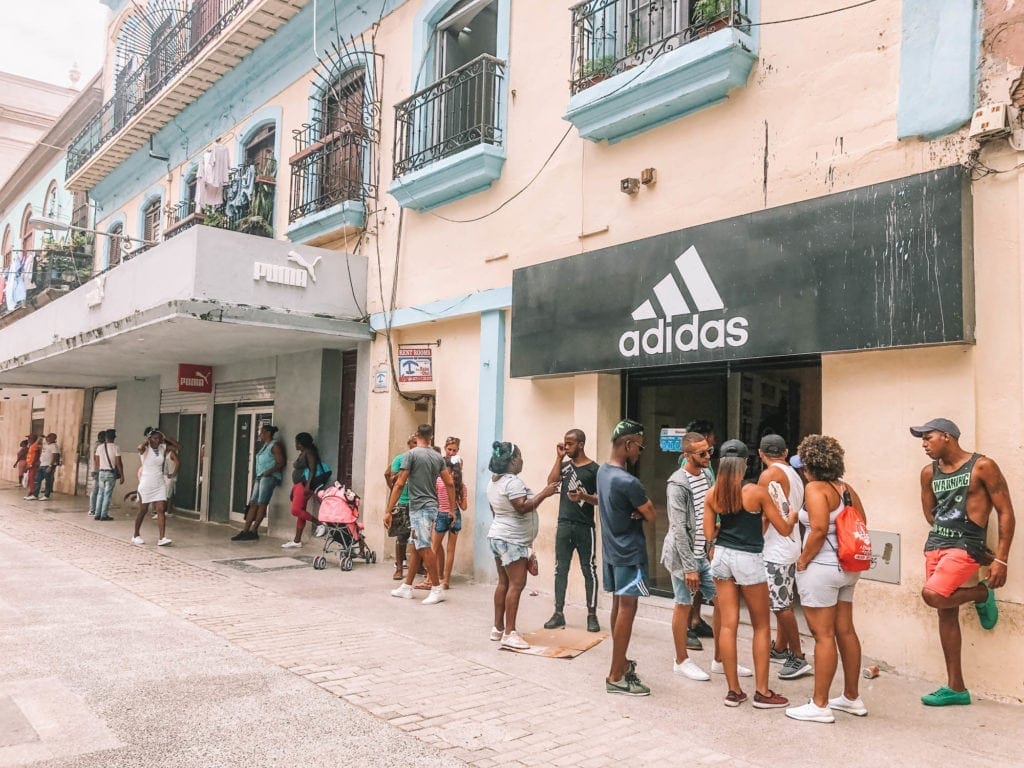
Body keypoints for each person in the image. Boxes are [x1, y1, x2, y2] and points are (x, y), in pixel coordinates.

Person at [910, 418, 1015, 706]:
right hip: (935, 545)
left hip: (966, 546)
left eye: (928, 437)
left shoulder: (983, 466)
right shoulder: (927, 473)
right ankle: (956, 688)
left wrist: (1001, 560)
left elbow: (1005, 512)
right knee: (945, 610)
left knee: (933, 595)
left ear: (947, 436)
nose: (924, 444)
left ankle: (983, 593)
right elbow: (931, 513)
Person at [785, 434, 869, 723]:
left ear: (810, 466)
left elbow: (819, 529)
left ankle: (819, 704)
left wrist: (802, 561)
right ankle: (851, 697)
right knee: (846, 630)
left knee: (823, 636)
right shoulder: (846, 488)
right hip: (848, 568)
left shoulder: (815, 489)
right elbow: (861, 522)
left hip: (822, 568)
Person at [704, 439, 794, 709]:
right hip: (749, 559)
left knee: (728, 624)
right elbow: (785, 529)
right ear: (745, 463)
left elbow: (709, 534)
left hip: (721, 557)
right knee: (761, 626)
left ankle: (733, 691)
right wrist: (791, 515)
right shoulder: (756, 493)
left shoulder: (713, 493)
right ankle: (762, 692)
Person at [599, 419, 657, 696]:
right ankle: (615, 675)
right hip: (629, 553)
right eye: (640, 447)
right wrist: (638, 511)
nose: (640, 453)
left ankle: (620, 664)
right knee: (627, 610)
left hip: (612, 550)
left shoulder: (603, 472)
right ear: (628, 444)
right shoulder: (628, 481)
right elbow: (651, 514)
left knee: (618, 606)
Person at [486, 442, 558, 649]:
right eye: (520, 456)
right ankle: (510, 633)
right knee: (516, 585)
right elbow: (522, 508)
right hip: (512, 540)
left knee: (503, 583)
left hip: (498, 535)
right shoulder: (513, 482)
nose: (522, 461)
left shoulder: (493, 481)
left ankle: (497, 628)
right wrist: (545, 493)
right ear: (513, 460)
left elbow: (495, 510)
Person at [662, 431, 719, 682]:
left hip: (703, 555)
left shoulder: (707, 475)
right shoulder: (677, 484)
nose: (708, 456)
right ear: (687, 455)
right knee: (683, 604)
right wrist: (689, 567)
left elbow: (709, 512)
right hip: (682, 557)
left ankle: (720, 659)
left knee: (722, 601)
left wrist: (711, 544)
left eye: (709, 451)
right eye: (702, 453)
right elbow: (678, 527)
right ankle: (680, 660)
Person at [758, 434, 812, 680]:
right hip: (791, 546)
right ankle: (780, 647)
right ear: (786, 451)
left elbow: (764, 513)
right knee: (784, 600)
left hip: (776, 548)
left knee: (780, 606)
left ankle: (798, 656)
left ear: (760, 454)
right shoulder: (795, 474)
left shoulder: (768, 475)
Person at [384, 423, 455, 606]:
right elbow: (449, 483)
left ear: (417, 435)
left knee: (423, 546)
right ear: (431, 436)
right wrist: (452, 508)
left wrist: (388, 510)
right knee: (415, 546)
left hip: (420, 508)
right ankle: (407, 586)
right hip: (430, 506)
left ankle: (436, 588)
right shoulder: (437, 456)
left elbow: (400, 483)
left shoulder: (411, 455)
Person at [544, 429, 601, 633]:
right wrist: (558, 459)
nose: (566, 447)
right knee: (561, 569)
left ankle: (591, 614)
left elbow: (601, 499)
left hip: (585, 527)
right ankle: (558, 613)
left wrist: (584, 498)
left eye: (570, 444)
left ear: (581, 444)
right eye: (565, 443)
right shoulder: (565, 467)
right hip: (564, 525)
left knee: (589, 570)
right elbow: (551, 482)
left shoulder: (595, 469)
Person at [685, 418, 717, 641]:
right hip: (694, 535)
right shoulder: (686, 470)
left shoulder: (706, 467)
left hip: (706, 532)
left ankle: (696, 619)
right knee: (689, 585)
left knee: (700, 584)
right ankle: (687, 627)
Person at [230, 425, 286, 541]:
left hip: (269, 477)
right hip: (260, 476)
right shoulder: (265, 446)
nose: (260, 434)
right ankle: (245, 530)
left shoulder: (274, 445)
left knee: (262, 503)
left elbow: (281, 462)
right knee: (253, 503)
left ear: (268, 433)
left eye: (262, 432)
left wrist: (269, 472)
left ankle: (254, 530)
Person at [132, 427, 180, 546]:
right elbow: (139, 448)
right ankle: (136, 535)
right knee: (143, 510)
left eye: (159, 438)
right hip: (146, 483)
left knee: (161, 510)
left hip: (159, 483)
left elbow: (178, 447)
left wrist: (166, 437)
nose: (158, 440)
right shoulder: (145, 449)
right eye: (155, 438)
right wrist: (147, 441)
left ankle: (162, 538)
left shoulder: (163, 448)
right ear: (150, 439)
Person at [282, 432, 330, 548]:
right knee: (301, 512)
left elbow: (312, 470)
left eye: (296, 442)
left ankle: (320, 523)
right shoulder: (304, 452)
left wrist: (308, 486)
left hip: (304, 485)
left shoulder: (309, 453)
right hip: (299, 484)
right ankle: (297, 540)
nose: (295, 445)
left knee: (296, 510)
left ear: (301, 443)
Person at [385, 435, 417, 580]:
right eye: (414, 443)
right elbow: (392, 479)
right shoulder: (400, 459)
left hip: (418, 502)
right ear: (409, 444)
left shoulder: (422, 459)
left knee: (418, 536)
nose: (417, 445)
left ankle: (419, 566)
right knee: (401, 535)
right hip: (403, 500)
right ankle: (399, 567)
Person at [433, 456, 468, 589]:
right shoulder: (461, 486)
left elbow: (435, 499)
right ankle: (446, 581)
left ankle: (431, 579)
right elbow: (464, 507)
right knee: (451, 550)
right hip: (455, 515)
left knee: (434, 548)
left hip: (442, 514)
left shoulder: (439, 481)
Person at [93, 429, 124, 521]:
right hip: (110, 473)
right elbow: (118, 463)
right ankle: (104, 515)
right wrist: (122, 475)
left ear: (105, 437)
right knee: (107, 495)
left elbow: (97, 461)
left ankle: (97, 514)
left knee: (100, 494)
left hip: (101, 472)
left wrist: (101, 469)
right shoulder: (116, 447)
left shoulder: (99, 447)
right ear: (114, 438)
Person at [28, 433, 60, 501]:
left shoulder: (54, 446)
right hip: (42, 465)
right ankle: (35, 495)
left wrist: (50, 466)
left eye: (49, 437)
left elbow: (55, 456)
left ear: (54, 438)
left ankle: (46, 495)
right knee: (37, 480)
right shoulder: (45, 444)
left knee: (48, 481)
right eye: (47, 437)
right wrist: (39, 438)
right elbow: (34, 446)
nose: (47, 438)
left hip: (48, 466)